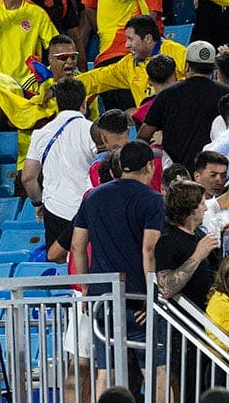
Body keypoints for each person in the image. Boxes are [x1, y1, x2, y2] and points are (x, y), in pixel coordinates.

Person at [69, 140, 166, 400]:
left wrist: (87, 287)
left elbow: (77, 246)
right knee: (155, 372)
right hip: (138, 300)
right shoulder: (153, 200)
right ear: (149, 166)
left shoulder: (94, 196)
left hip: (102, 300)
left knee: (106, 372)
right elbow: (149, 250)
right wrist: (152, 297)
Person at [138, 42, 229, 175]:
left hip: (177, 178)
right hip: (216, 176)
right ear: (213, 69)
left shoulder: (166, 95)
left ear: (187, 66)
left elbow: (143, 136)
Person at [22, 78, 96, 248]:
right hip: (88, 212)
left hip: (56, 211)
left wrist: (38, 204)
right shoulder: (92, 131)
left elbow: (27, 178)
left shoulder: (41, 133)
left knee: (60, 268)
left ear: (57, 103)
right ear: (84, 104)